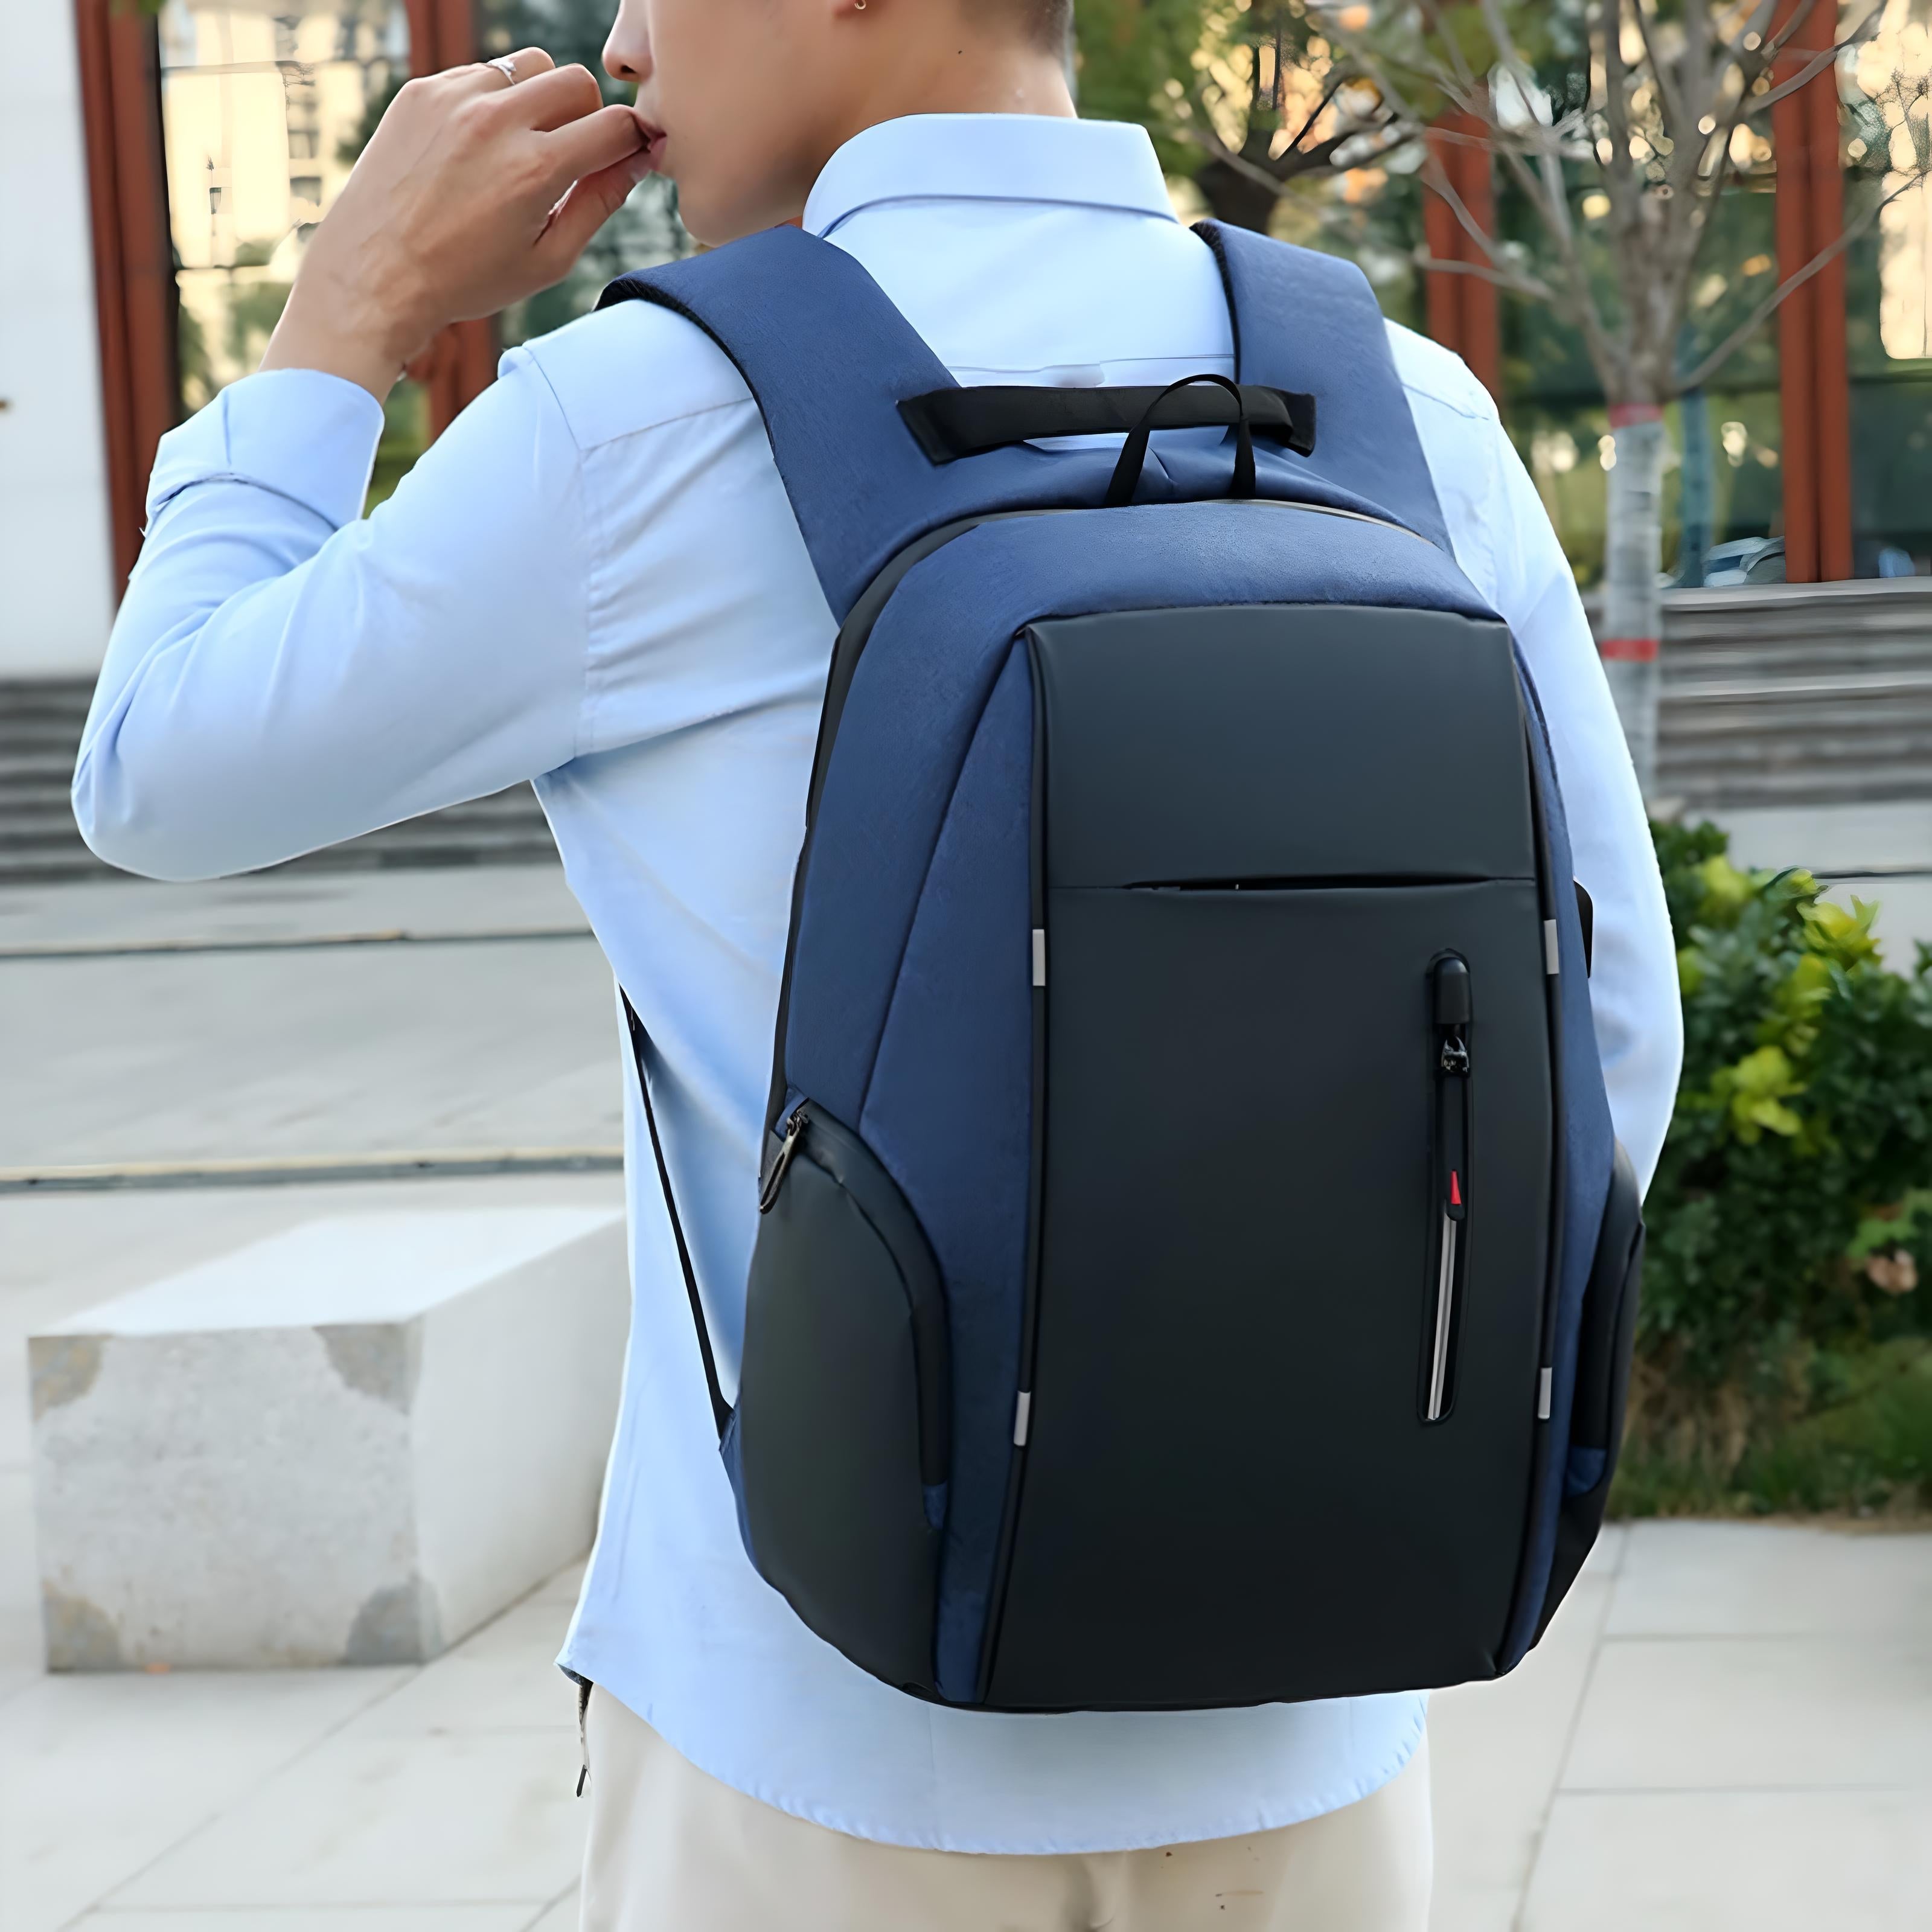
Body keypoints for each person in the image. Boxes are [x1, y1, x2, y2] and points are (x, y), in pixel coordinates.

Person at [74, 1, 1683, 1925]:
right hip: (1318, 1743)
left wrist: (344, 315)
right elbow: (1608, 1032)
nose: (618, 34)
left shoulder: (641, 421)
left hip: (820, 1749)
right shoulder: (1401, 405)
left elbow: (157, 769)